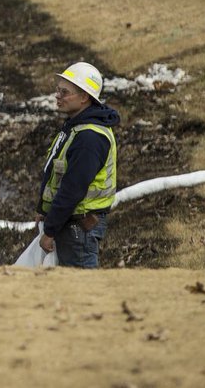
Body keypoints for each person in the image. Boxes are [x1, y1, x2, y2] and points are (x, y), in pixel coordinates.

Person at [36, 61, 120, 268]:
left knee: (81, 284)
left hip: (78, 228)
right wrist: (44, 211)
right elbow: (57, 174)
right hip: (71, 223)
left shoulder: (89, 137)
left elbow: (72, 189)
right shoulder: (76, 126)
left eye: (64, 92)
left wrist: (50, 231)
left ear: (84, 97)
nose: (57, 96)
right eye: (58, 90)